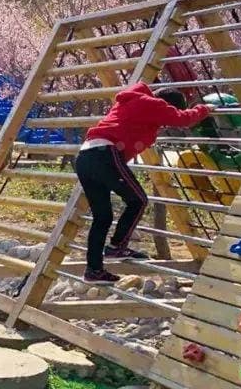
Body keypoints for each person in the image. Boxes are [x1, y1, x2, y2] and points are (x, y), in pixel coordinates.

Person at [75, 82, 211, 284]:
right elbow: (182, 119)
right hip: (104, 154)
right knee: (138, 200)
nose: (164, 124)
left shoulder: (131, 102)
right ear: (166, 104)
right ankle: (116, 247)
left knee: (102, 217)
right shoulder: (151, 103)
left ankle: (93, 270)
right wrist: (204, 109)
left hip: (85, 157)